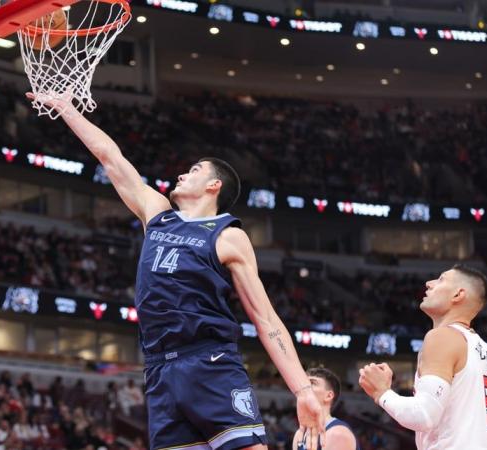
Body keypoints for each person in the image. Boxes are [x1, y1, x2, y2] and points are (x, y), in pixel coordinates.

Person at [28, 93, 324, 450]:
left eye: (195, 170)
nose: (183, 173)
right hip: (159, 369)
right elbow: (110, 157)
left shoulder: (229, 236)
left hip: (209, 361)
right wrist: (67, 110)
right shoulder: (157, 213)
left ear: (214, 186)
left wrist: (303, 390)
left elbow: (266, 319)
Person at [358, 264, 487, 450]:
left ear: (458, 295)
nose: (429, 283)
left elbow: (424, 415)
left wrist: (382, 393)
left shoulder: (441, 337)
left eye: (441, 280)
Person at [292, 368, 358, 450]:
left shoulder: (338, 434)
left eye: (312, 383)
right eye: (304, 384)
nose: (305, 389)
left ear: (329, 396)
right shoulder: (299, 434)